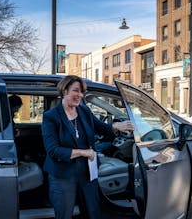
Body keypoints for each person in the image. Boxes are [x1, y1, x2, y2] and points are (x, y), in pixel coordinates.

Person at [41, 75, 134, 219]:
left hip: (87, 173)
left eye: (82, 92)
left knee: (92, 212)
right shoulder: (51, 116)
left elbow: (101, 128)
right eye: (76, 91)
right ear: (65, 91)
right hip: (62, 175)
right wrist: (83, 152)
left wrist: (117, 126)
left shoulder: (84, 111)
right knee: (64, 214)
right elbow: (53, 150)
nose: (80, 95)